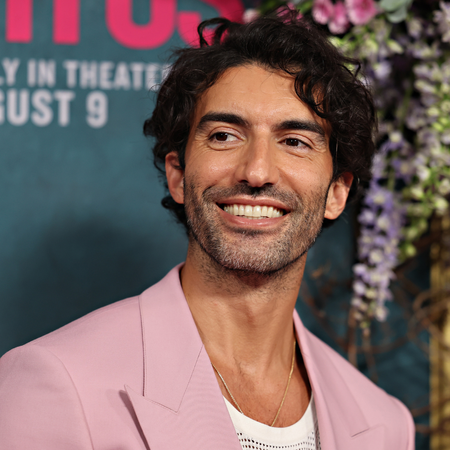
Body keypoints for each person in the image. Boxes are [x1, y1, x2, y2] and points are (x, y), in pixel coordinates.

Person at [0, 11, 414, 450]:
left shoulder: (384, 424)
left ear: (337, 192)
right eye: (223, 136)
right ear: (178, 175)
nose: (256, 171)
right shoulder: (56, 382)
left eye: (295, 141)